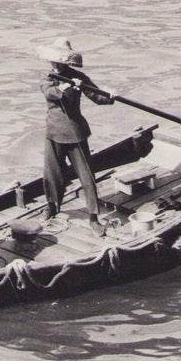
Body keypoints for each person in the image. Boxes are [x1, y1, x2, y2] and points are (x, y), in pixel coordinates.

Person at [38, 37, 114, 236]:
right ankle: (52, 206)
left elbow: (97, 96)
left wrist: (110, 96)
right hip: (53, 132)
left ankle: (93, 216)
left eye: (61, 63)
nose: (56, 65)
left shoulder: (78, 77)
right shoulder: (48, 77)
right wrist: (64, 88)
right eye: (55, 62)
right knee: (52, 174)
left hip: (75, 132)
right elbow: (48, 93)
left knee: (86, 176)